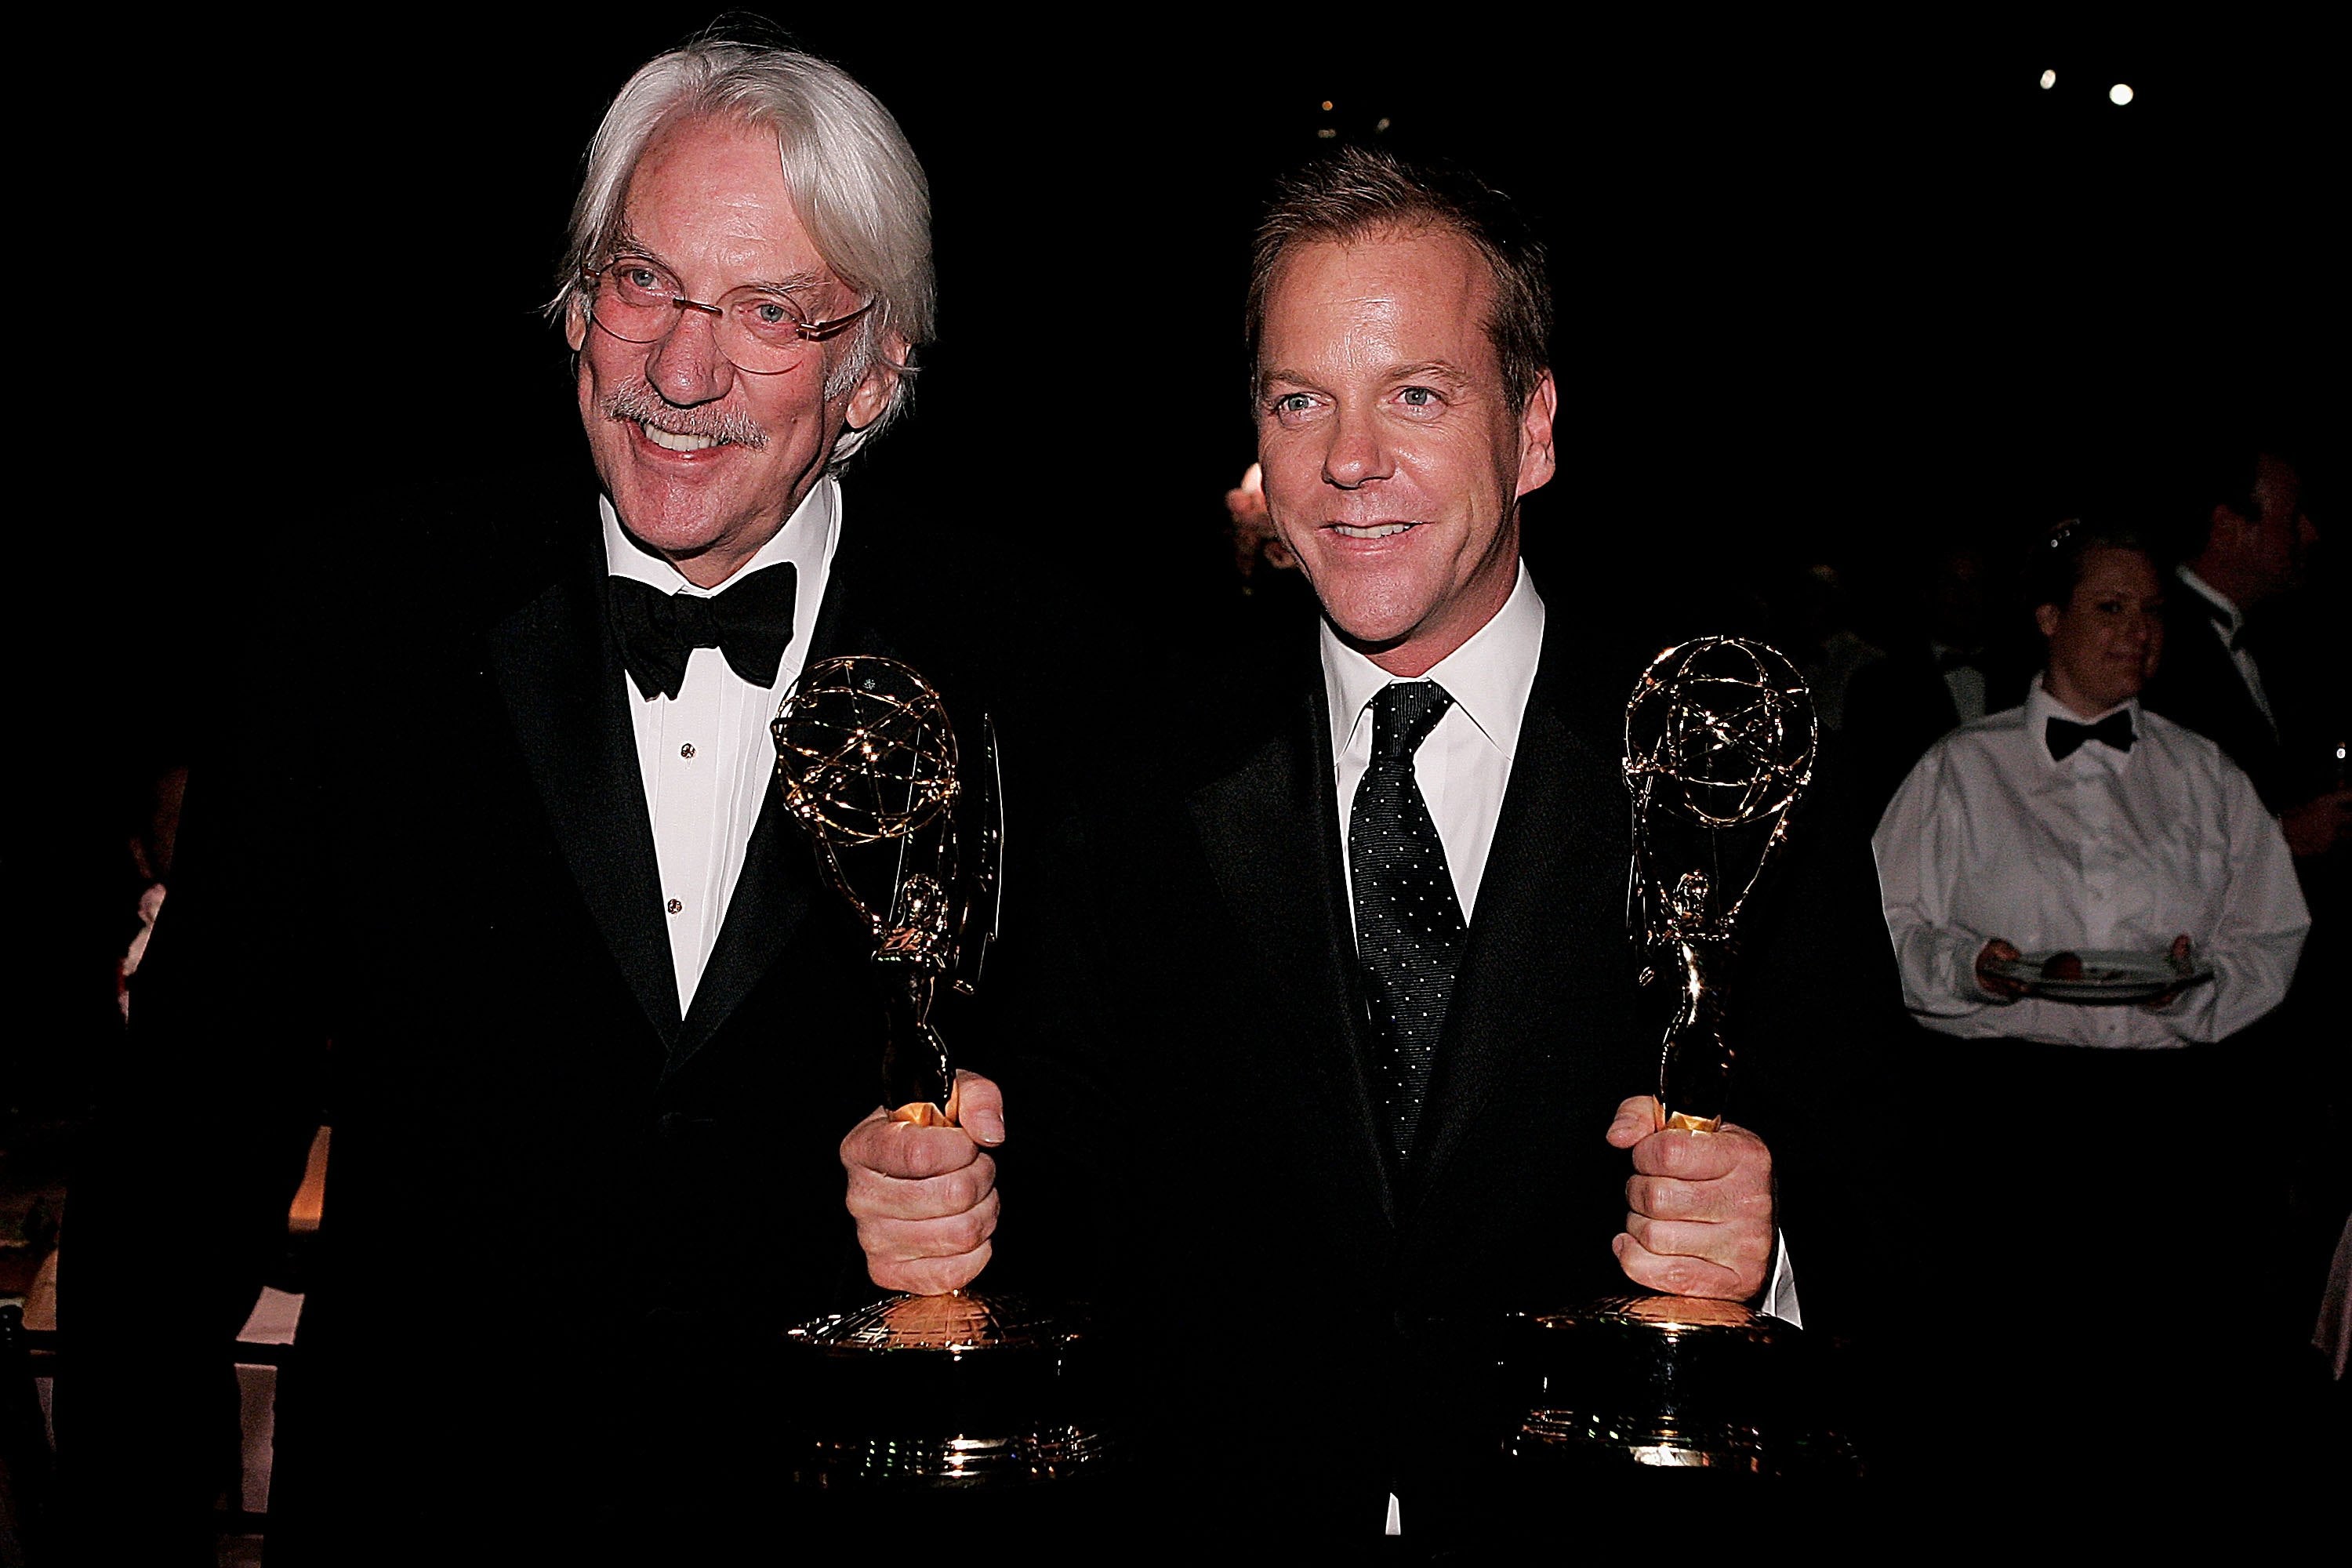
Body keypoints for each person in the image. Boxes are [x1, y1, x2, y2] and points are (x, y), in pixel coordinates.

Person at [844, 146, 1900, 1545]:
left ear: (1534, 428)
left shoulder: (1725, 764)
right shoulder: (1126, 781)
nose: (1348, 460)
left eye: (1417, 394)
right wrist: (955, 1213)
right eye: (1301, 400)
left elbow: (1889, 1193)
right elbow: (1071, 1188)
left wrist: (1765, 1261)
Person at [60, 35, 968, 1563]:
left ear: (872, 368)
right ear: (576, 300)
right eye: (644, 282)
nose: (681, 371)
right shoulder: (356, 617)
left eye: (767, 311)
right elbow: (186, 1151)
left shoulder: (1018, 664)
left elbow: (1123, 1148)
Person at [1871, 522, 2312, 1478]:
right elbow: (1885, 932)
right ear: (2047, 617)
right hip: (2007, 1126)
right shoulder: (1962, 769)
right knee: (2010, 1398)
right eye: (2111, 607)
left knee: (2165, 1398)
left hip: (2175, 1128)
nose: (2138, 632)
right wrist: (1972, 966)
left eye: (2151, 611)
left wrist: (2195, 989)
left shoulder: (2206, 774)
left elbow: (2272, 931)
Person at [2143, 446, 2348, 858]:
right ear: (2227, 528)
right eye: (2291, 518)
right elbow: (2156, 815)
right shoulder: (2155, 642)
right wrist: (2281, 836)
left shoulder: (2277, 638)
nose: (2311, 533)